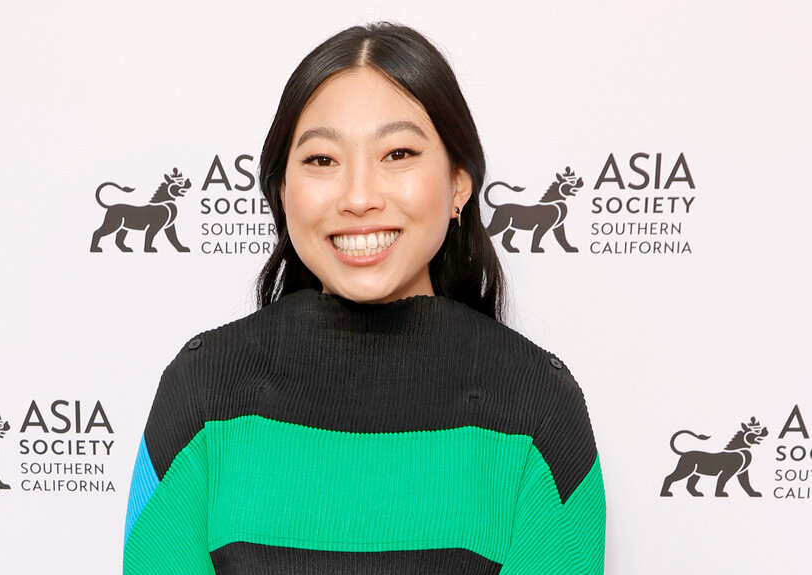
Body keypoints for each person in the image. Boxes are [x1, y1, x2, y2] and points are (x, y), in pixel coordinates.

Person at [123, 22, 605, 575]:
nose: (358, 197)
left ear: (458, 183)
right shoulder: (202, 391)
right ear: (283, 191)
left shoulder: (539, 405)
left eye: (397, 153)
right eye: (322, 160)